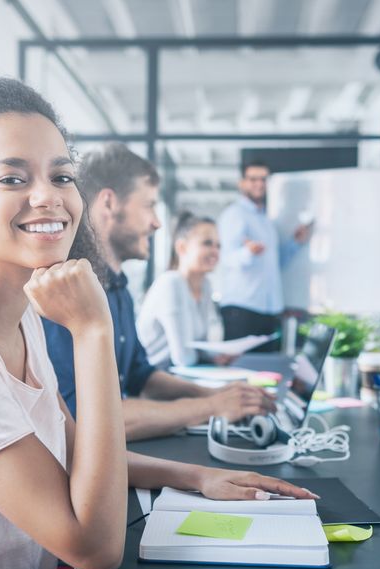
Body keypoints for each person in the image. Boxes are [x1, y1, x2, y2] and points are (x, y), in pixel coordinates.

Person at [0, 77, 315, 569]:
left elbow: (68, 446)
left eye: (62, 176)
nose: (48, 196)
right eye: (12, 179)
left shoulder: (23, 319)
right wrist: (92, 330)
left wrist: (194, 477)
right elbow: (95, 549)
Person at [43, 144, 275, 441]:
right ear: (110, 203)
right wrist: (209, 405)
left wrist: (218, 395)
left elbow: (141, 376)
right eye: (149, 205)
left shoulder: (118, 287)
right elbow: (84, 419)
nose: (157, 222)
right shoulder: (66, 294)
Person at [218, 158, 311, 350]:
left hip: (268, 311)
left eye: (263, 179)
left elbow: (274, 263)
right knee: (242, 371)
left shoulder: (266, 222)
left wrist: (295, 242)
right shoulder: (234, 215)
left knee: (266, 372)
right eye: (253, 179)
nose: (259, 184)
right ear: (242, 183)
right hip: (243, 309)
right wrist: (247, 252)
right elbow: (226, 258)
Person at [137, 211, 229, 368]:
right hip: (153, 381)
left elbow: (200, 346)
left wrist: (219, 357)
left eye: (218, 245)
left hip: (180, 375)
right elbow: (183, 358)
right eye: (207, 243)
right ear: (182, 247)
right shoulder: (171, 283)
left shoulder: (206, 285)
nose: (215, 251)